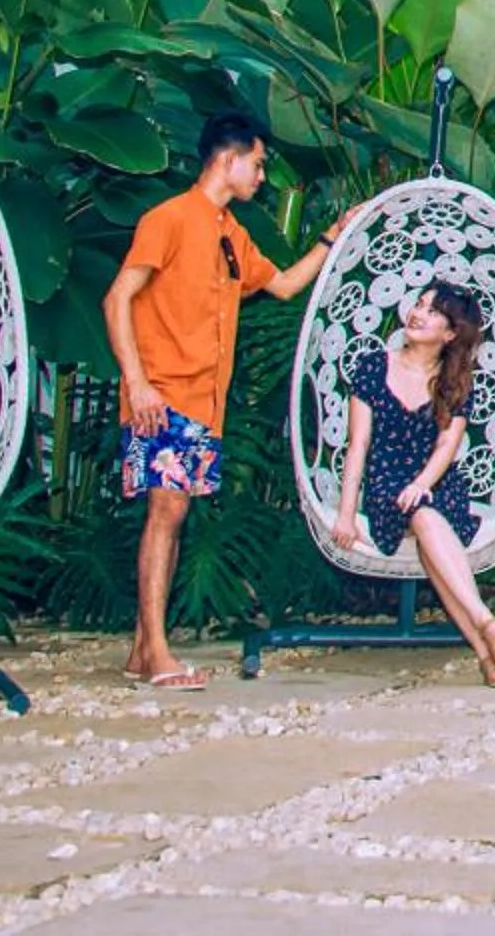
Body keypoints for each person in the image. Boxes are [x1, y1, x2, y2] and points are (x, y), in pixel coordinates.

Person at [107, 111, 363, 691]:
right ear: (229, 159)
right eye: (258, 162)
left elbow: (283, 285)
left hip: (204, 400)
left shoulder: (229, 232)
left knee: (173, 514)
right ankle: (158, 651)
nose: (262, 175)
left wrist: (334, 237)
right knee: (166, 512)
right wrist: (138, 382)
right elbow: (116, 298)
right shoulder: (167, 219)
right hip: (162, 392)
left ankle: (146, 647)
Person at [330, 282, 495, 688]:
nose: (418, 313)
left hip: (436, 483)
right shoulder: (373, 366)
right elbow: (359, 445)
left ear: (450, 333)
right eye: (418, 304)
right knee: (421, 515)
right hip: (388, 485)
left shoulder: (455, 380)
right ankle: (486, 624)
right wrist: (347, 514)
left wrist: (422, 484)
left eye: (433, 311)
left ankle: (485, 652)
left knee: (426, 523)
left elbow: (446, 446)